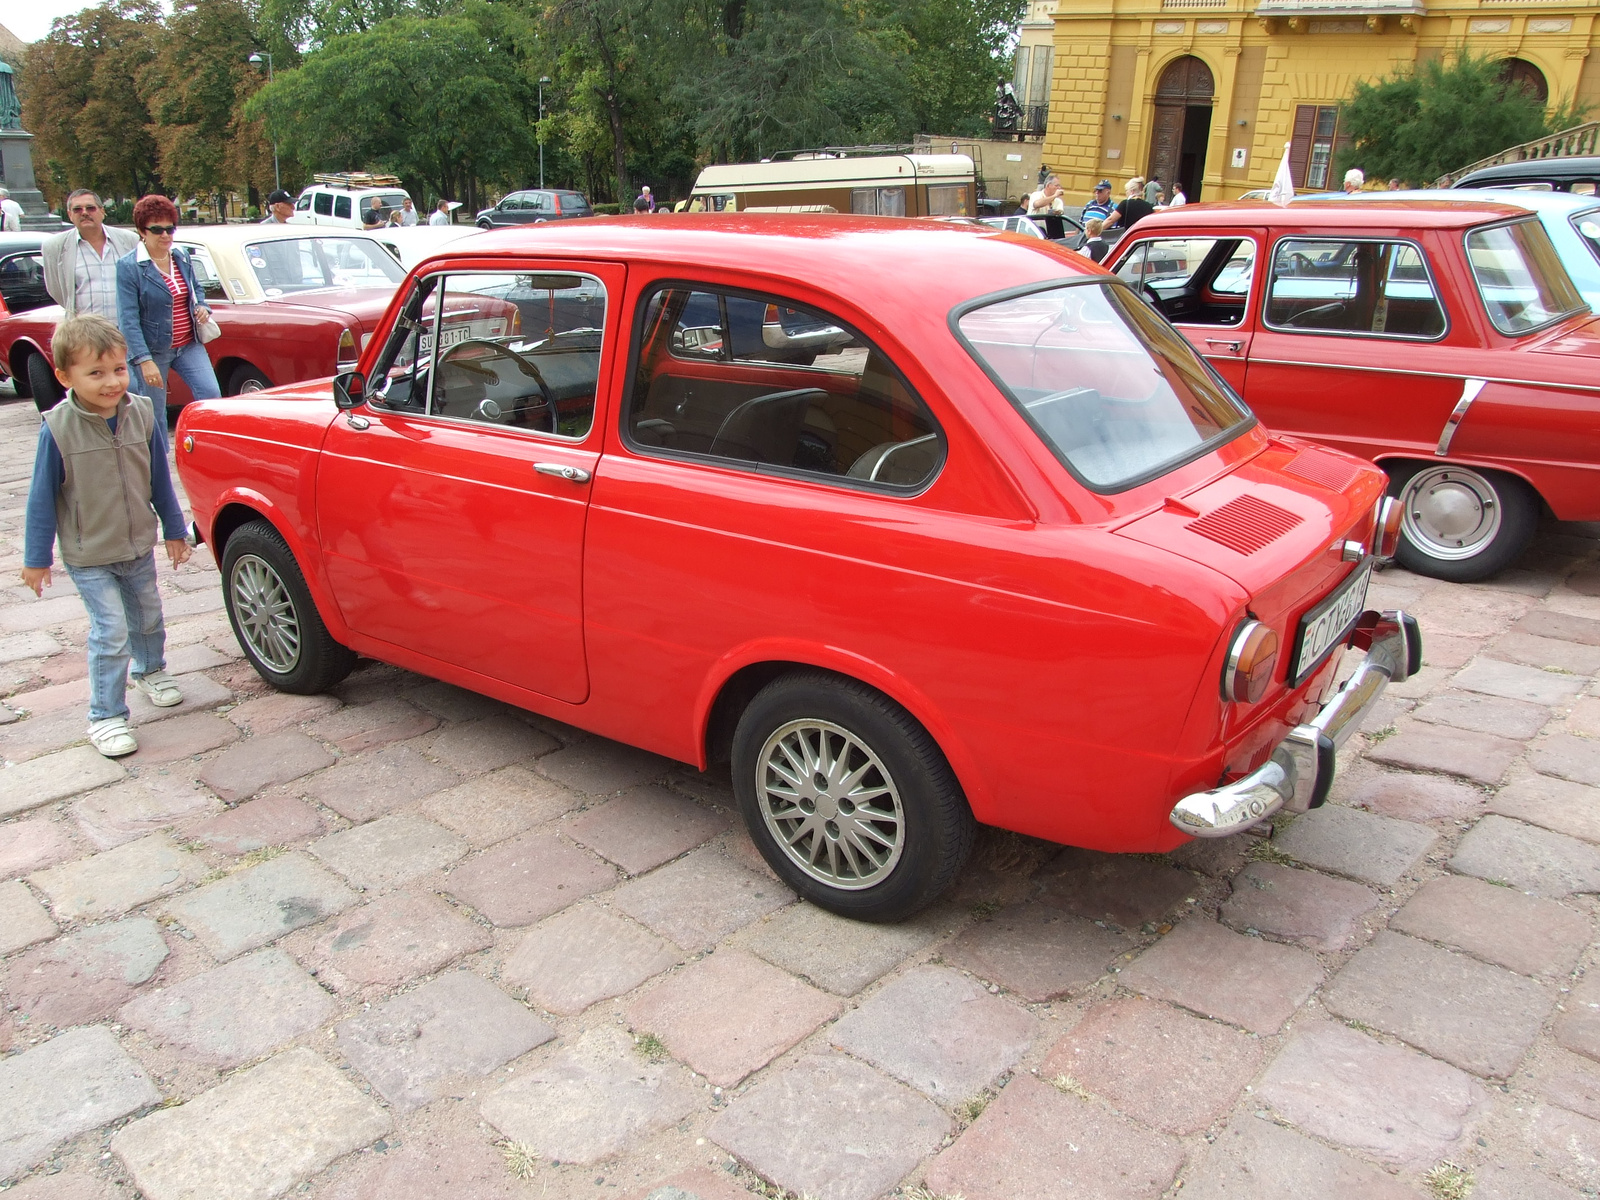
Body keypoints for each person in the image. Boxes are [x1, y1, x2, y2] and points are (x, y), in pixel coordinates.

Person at [21, 314, 191, 757]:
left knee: (148, 616)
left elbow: (158, 478)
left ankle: (151, 670)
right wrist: (36, 557)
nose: (112, 382)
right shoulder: (57, 428)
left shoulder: (142, 414)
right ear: (64, 376)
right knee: (111, 631)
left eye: (118, 369)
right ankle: (106, 715)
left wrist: (175, 529)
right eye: (95, 373)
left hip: (137, 546)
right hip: (89, 554)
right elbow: (41, 497)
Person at [115, 195, 222, 414]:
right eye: (157, 230)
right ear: (142, 231)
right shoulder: (129, 266)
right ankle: (157, 450)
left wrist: (202, 306)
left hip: (188, 344)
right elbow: (128, 319)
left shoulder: (180, 256)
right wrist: (144, 360)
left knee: (211, 396)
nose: (165, 235)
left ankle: (204, 445)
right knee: (154, 413)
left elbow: (196, 289)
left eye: (170, 229)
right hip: (154, 349)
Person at [42, 189, 140, 320]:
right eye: (77, 209)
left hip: (125, 331)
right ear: (70, 215)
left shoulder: (130, 240)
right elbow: (57, 290)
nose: (84, 213)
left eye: (90, 208)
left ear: (102, 211)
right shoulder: (55, 246)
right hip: (85, 334)